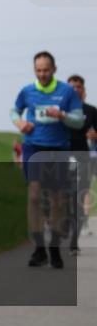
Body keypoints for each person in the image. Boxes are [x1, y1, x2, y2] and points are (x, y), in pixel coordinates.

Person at [10, 51, 84, 269]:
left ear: (54, 69)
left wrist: (62, 115)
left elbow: (79, 121)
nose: (42, 74)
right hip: (33, 147)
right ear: (35, 70)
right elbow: (15, 110)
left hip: (58, 149)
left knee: (57, 199)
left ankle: (54, 247)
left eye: (46, 70)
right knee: (34, 195)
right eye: (38, 70)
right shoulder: (27, 91)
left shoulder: (67, 92)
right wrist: (20, 123)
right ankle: (39, 248)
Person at [66, 75, 97, 256]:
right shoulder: (60, 110)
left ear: (83, 89)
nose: (75, 89)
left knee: (80, 197)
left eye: (78, 86)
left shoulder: (91, 111)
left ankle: (73, 242)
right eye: (72, 87)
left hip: (83, 158)